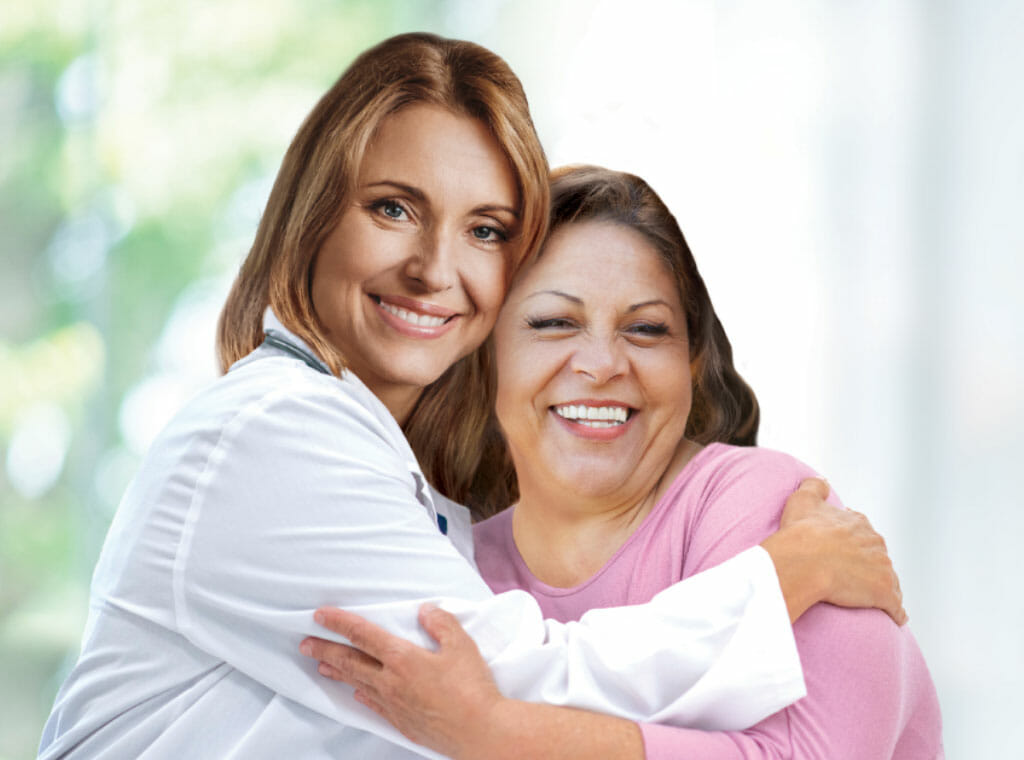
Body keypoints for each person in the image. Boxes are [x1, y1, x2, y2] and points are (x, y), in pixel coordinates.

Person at [38, 35, 904, 760]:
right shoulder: (273, 434)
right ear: (312, 214)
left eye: (485, 230)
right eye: (392, 209)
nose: (435, 270)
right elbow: (501, 683)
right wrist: (779, 578)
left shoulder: (422, 493)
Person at [303, 166, 943, 759]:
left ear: (691, 364)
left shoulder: (769, 510)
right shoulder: (457, 570)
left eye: (646, 330)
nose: (603, 364)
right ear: (480, 358)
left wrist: (495, 730)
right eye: (554, 322)